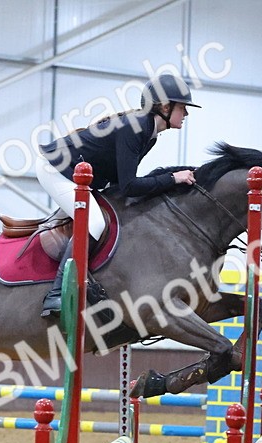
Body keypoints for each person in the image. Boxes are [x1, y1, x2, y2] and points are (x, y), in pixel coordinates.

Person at [35, 73, 200, 317]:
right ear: (165, 107)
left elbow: (119, 183)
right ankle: (57, 293)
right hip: (56, 169)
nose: (186, 114)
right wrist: (174, 178)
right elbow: (129, 186)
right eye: (182, 107)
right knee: (95, 223)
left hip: (80, 175)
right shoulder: (135, 129)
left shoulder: (148, 133)